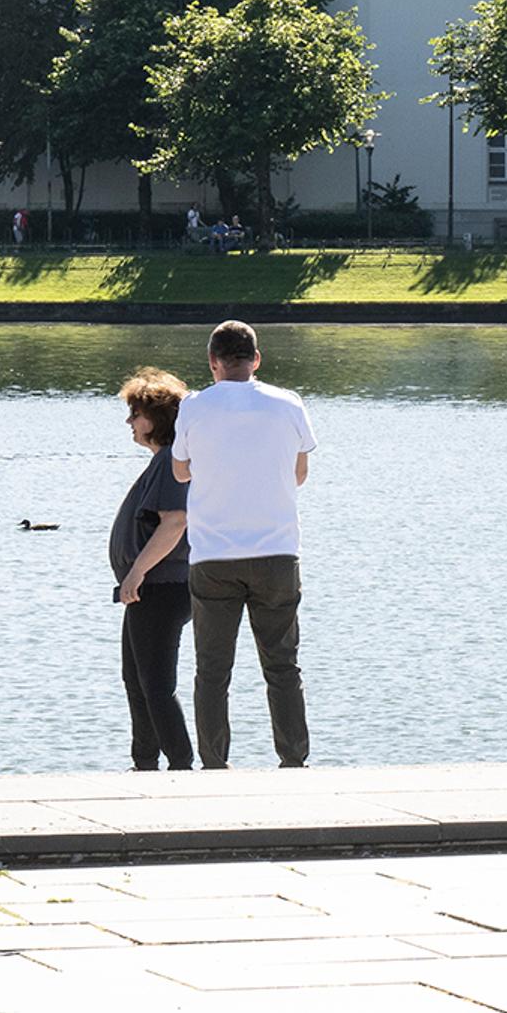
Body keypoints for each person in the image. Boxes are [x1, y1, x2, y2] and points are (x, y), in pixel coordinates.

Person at [176, 319, 315, 770]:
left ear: (213, 362)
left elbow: (180, 471)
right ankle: (293, 759)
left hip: (214, 556)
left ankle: (215, 763)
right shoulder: (289, 403)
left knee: (212, 671)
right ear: (256, 359)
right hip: (276, 553)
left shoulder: (194, 407)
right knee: (282, 665)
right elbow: (299, 474)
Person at [108, 366, 193, 771]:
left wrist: (137, 573)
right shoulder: (162, 462)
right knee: (136, 681)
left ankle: (180, 764)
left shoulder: (171, 463)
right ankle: (144, 763)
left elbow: (175, 522)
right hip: (147, 587)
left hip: (162, 585)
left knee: (156, 686)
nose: (130, 422)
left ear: (158, 418)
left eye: (136, 413)